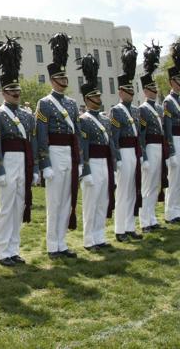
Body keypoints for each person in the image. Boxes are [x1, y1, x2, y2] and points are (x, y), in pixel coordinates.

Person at [0, 36, 38, 267]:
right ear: (3, 93)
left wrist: (34, 167)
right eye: (11, 90)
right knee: (6, 208)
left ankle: (14, 249)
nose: (16, 93)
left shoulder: (27, 116)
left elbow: (32, 143)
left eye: (17, 90)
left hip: (23, 161)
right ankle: (2, 251)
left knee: (19, 206)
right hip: (7, 161)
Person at [36, 33, 82, 259]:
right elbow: (41, 136)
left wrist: (79, 159)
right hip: (53, 151)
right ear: (53, 79)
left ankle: (62, 242)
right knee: (54, 200)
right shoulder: (44, 103)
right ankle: (52, 244)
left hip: (68, 153)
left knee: (66, 199)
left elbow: (77, 135)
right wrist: (45, 163)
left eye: (65, 77)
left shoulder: (72, 104)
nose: (64, 81)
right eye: (60, 78)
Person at [109, 42, 145, 242]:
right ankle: (120, 229)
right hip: (123, 151)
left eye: (132, 91)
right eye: (127, 91)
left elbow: (138, 135)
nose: (131, 94)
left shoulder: (136, 110)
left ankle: (130, 226)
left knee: (133, 189)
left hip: (134, 151)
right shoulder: (116, 110)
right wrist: (117, 158)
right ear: (121, 92)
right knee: (122, 191)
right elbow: (113, 137)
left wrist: (140, 154)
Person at [76, 54, 112, 251]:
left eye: (99, 96)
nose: (99, 99)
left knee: (102, 201)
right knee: (91, 203)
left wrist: (114, 164)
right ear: (87, 99)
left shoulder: (105, 119)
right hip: (93, 163)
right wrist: (86, 170)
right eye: (95, 97)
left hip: (104, 162)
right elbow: (83, 146)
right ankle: (89, 239)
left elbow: (110, 145)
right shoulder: (84, 120)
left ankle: (100, 236)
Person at [138, 42, 167, 232]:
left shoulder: (158, 108)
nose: (155, 92)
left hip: (159, 146)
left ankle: (152, 218)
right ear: (145, 91)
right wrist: (144, 156)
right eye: (152, 90)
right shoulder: (142, 109)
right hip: (149, 146)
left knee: (156, 184)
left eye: (156, 90)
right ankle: (144, 220)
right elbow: (140, 135)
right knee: (147, 185)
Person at [164, 40, 180, 224]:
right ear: (171, 81)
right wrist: (172, 150)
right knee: (173, 177)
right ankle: (171, 212)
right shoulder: (168, 101)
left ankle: (178, 208)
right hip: (174, 139)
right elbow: (167, 127)